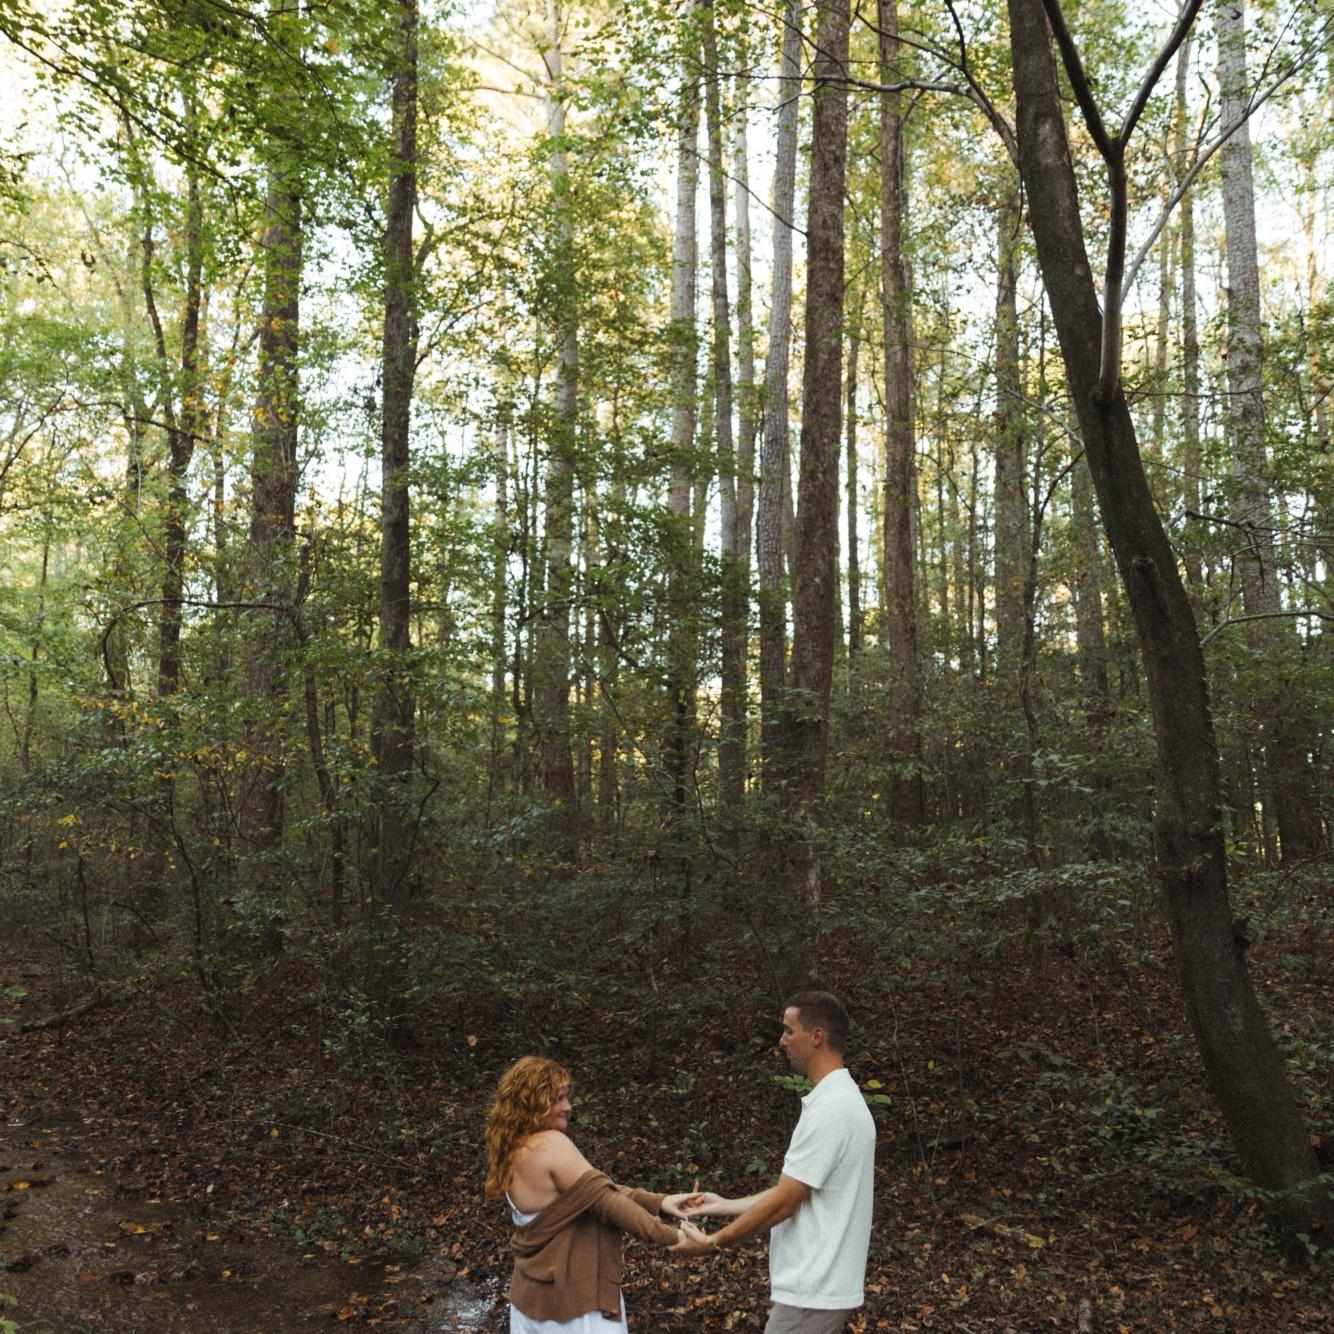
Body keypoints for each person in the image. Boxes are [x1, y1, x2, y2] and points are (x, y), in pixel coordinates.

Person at [675, 990, 875, 1334]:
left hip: (812, 1292)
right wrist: (723, 1206)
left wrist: (712, 1243)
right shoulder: (838, 1100)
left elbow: (785, 1203)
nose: (782, 1040)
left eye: (788, 1030)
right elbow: (796, 1190)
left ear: (817, 1036)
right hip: (816, 1292)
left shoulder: (832, 1108)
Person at [484, 1055, 707, 1332]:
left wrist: (660, 1202)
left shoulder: (512, 1149)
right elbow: (608, 1202)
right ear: (534, 1103)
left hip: (530, 1306)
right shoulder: (551, 1144)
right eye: (558, 1099)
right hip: (574, 1309)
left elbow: (594, 1192)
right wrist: (676, 1238)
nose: (568, 1106)